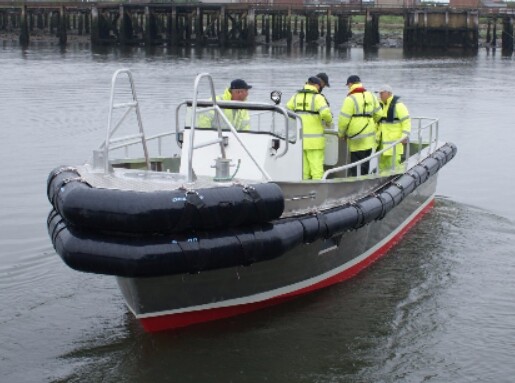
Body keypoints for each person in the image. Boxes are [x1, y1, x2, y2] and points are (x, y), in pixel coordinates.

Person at [286, 76, 333, 180]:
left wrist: (296, 122)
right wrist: (328, 122)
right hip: (315, 141)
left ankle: (305, 190)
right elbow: (326, 113)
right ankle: (318, 192)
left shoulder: (296, 96)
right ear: (316, 85)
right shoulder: (318, 97)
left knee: (304, 170)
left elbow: (287, 110)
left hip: (300, 140)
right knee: (316, 169)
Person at [338, 75, 382, 177]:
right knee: (366, 163)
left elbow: (343, 120)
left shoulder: (350, 99)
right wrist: (371, 121)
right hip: (369, 137)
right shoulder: (371, 95)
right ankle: (365, 180)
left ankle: (356, 183)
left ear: (350, 84)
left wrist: (341, 134)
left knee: (356, 165)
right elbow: (379, 114)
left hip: (356, 138)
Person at [376, 84, 411, 173]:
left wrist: (404, 137)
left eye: (381, 93)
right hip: (382, 147)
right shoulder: (381, 106)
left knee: (394, 169)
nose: (379, 95)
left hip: (394, 146)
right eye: (379, 94)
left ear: (388, 93)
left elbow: (406, 123)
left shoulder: (399, 106)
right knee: (381, 169)